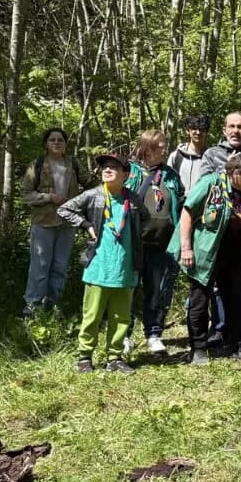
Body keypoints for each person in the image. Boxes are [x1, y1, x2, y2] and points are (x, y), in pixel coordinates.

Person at [171, 153, 241, 367]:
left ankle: (240, 346)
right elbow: (187, 212)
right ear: (235, 174)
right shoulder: (210, 184)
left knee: (238, 301)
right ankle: (199, 349)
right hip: (206, 254)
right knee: (199, 302)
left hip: (235, 255)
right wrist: (186, 247)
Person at [57, 152, 152, 374]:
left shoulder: (133, 199)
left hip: (126, 268)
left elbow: (146, 218)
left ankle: (114, 358)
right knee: (92, 315)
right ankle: (84, 357)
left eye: (114, 167)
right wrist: (86, 224)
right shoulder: (94, 195)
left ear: (126, 175)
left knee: (121, 317)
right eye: (105, 167)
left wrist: (136, 237)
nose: (107, 170)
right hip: (98, 267)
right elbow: (64, 209)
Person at [19, 127, 95, 316]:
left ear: (65, 143)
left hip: (67, 222)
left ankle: (53, 306)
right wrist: (49, 197)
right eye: (52, 140)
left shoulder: (73, 164)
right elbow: (25, 194)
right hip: (43, 221)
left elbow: (91, 185)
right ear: (46, 144)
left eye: (60, 140)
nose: (56, 143)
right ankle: (32, 307)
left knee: (60, 266)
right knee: (40, 265)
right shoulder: (36, 165)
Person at [132, 130, 185, 355]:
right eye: (161, 145)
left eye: (166, 145)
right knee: (130, 289)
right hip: (134, 243)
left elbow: (181, 202)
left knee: (158, 290)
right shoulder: (131, 172)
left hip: (163, 244)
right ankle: (124, 335)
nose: (165, 149)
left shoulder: (171, 175)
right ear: (147, 147)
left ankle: (153, 334)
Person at [168, 114, 210, 194]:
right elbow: (168, 183)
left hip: (203, 204)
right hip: (179, 204)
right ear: (188, 131)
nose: (198, 132)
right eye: (194, 128)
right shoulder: (176, 156)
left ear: (206, 132)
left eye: (202, 129)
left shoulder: (210, 157)